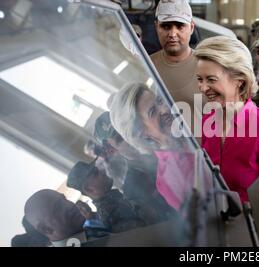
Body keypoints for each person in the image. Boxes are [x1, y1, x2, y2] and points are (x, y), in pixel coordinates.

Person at [194, 36, 259, 203]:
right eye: (200, 79)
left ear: (239, 80)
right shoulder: (208, 120)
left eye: (211, 80)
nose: (203, 88)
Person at [109, 82, 195, 211]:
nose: (165, 109)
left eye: (159, 101)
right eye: (153, 112)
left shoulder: (193, 127)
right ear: (142, 133)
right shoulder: (170, 179)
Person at [94, 112, 176, 223]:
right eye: (120, 138)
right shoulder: (133, 189)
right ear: (111, 150)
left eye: (128, 129)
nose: (129, 137)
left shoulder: (167, 142)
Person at [150, 0, 203, 131]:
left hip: (204, 150)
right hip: (164, 149)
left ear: (191, 27)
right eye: (166, 27)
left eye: (180, 26)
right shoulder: (147, 67)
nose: (173, 34)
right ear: (156, 26)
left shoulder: (208, 67)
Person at [67, 161, 145, 233]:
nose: (103, 172)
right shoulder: (110, 212)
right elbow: (143, 234)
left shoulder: (112, 201)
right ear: (89, 189)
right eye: (96, 173)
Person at [24, 189, 106, 247]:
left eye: (64, 199)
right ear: (45, 229)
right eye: (58, 207)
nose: (70, 205)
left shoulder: (92, 231)